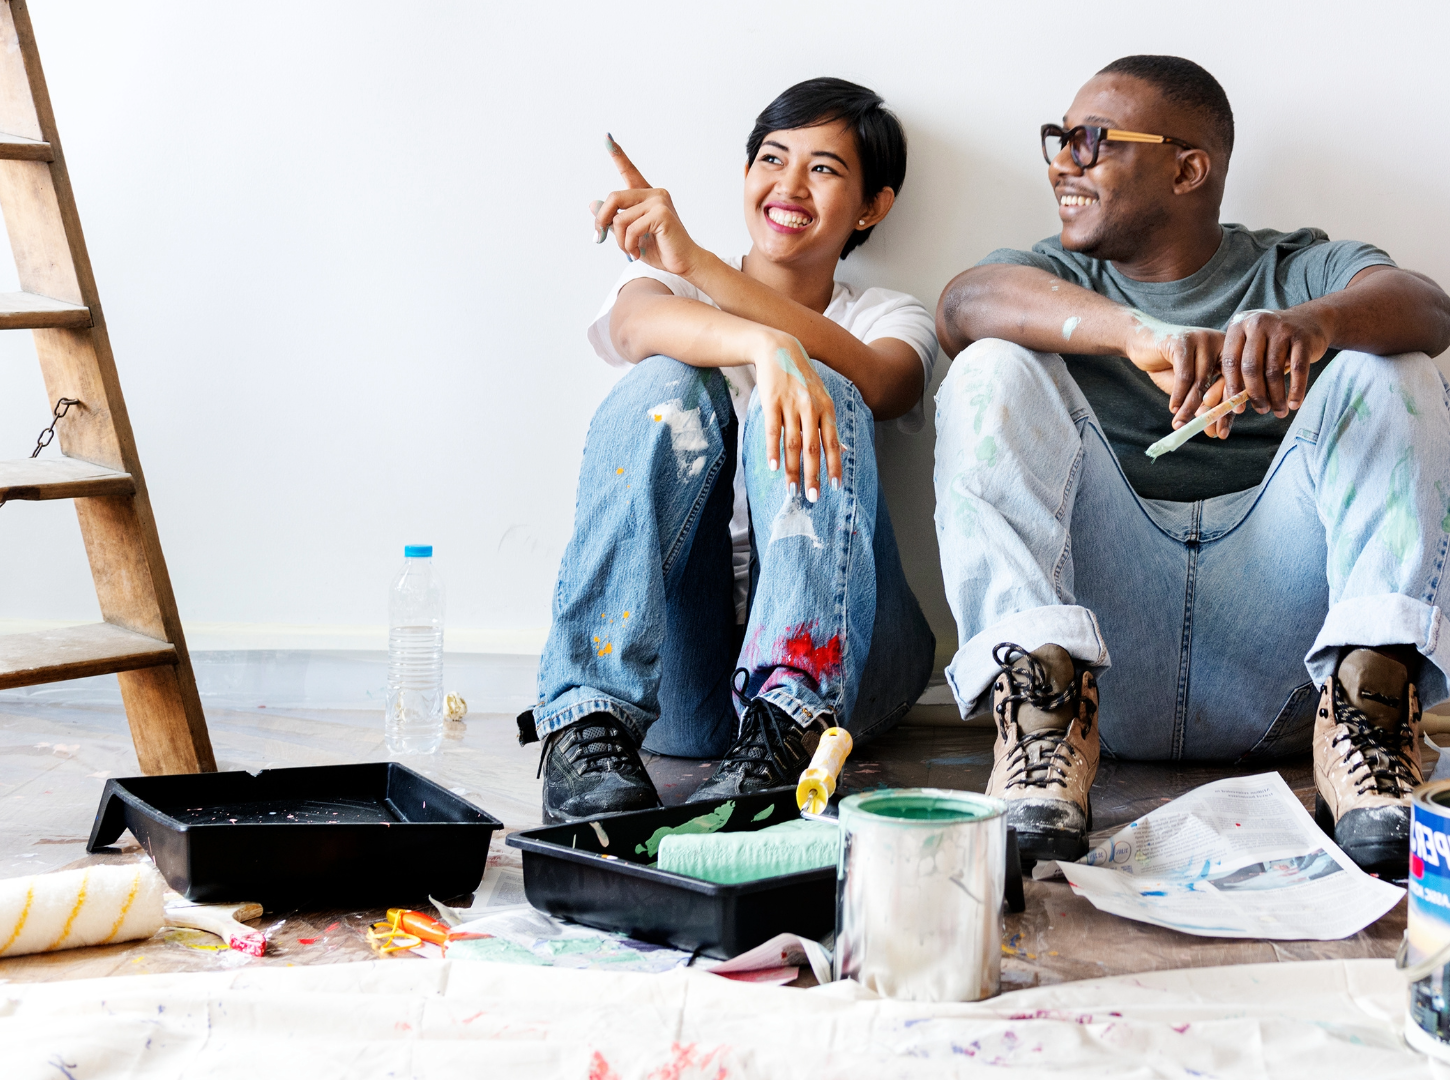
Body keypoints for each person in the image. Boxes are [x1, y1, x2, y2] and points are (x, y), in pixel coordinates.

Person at [934, 55, 1450, 873]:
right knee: (988, 366)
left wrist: (1312, 326)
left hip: (1281, 665)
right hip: (1106, 670)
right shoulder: (1055, 278)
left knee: (1397, 369)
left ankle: (1371, 725)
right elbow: (961, 306)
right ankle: (1038, 734)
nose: (1064, 162)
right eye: (1059, 139)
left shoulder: (1296, 266)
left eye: (1091, 139)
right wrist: (1134, 335)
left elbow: (1429, 309)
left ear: (1187, 169)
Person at [525, 78, 937, 823]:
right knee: (667, 381)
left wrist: (708, 270)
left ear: (873, 206)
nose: (790, 184)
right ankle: (586, 717)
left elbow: (884, 383)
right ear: (747, 173)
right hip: (684, 676)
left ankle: (790, 721)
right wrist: (762, 345)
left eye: (823, 168)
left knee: (827, 383)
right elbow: (633, 329)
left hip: (851, 665)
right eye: (772, 159)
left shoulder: (887, 315)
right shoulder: (661, 281)